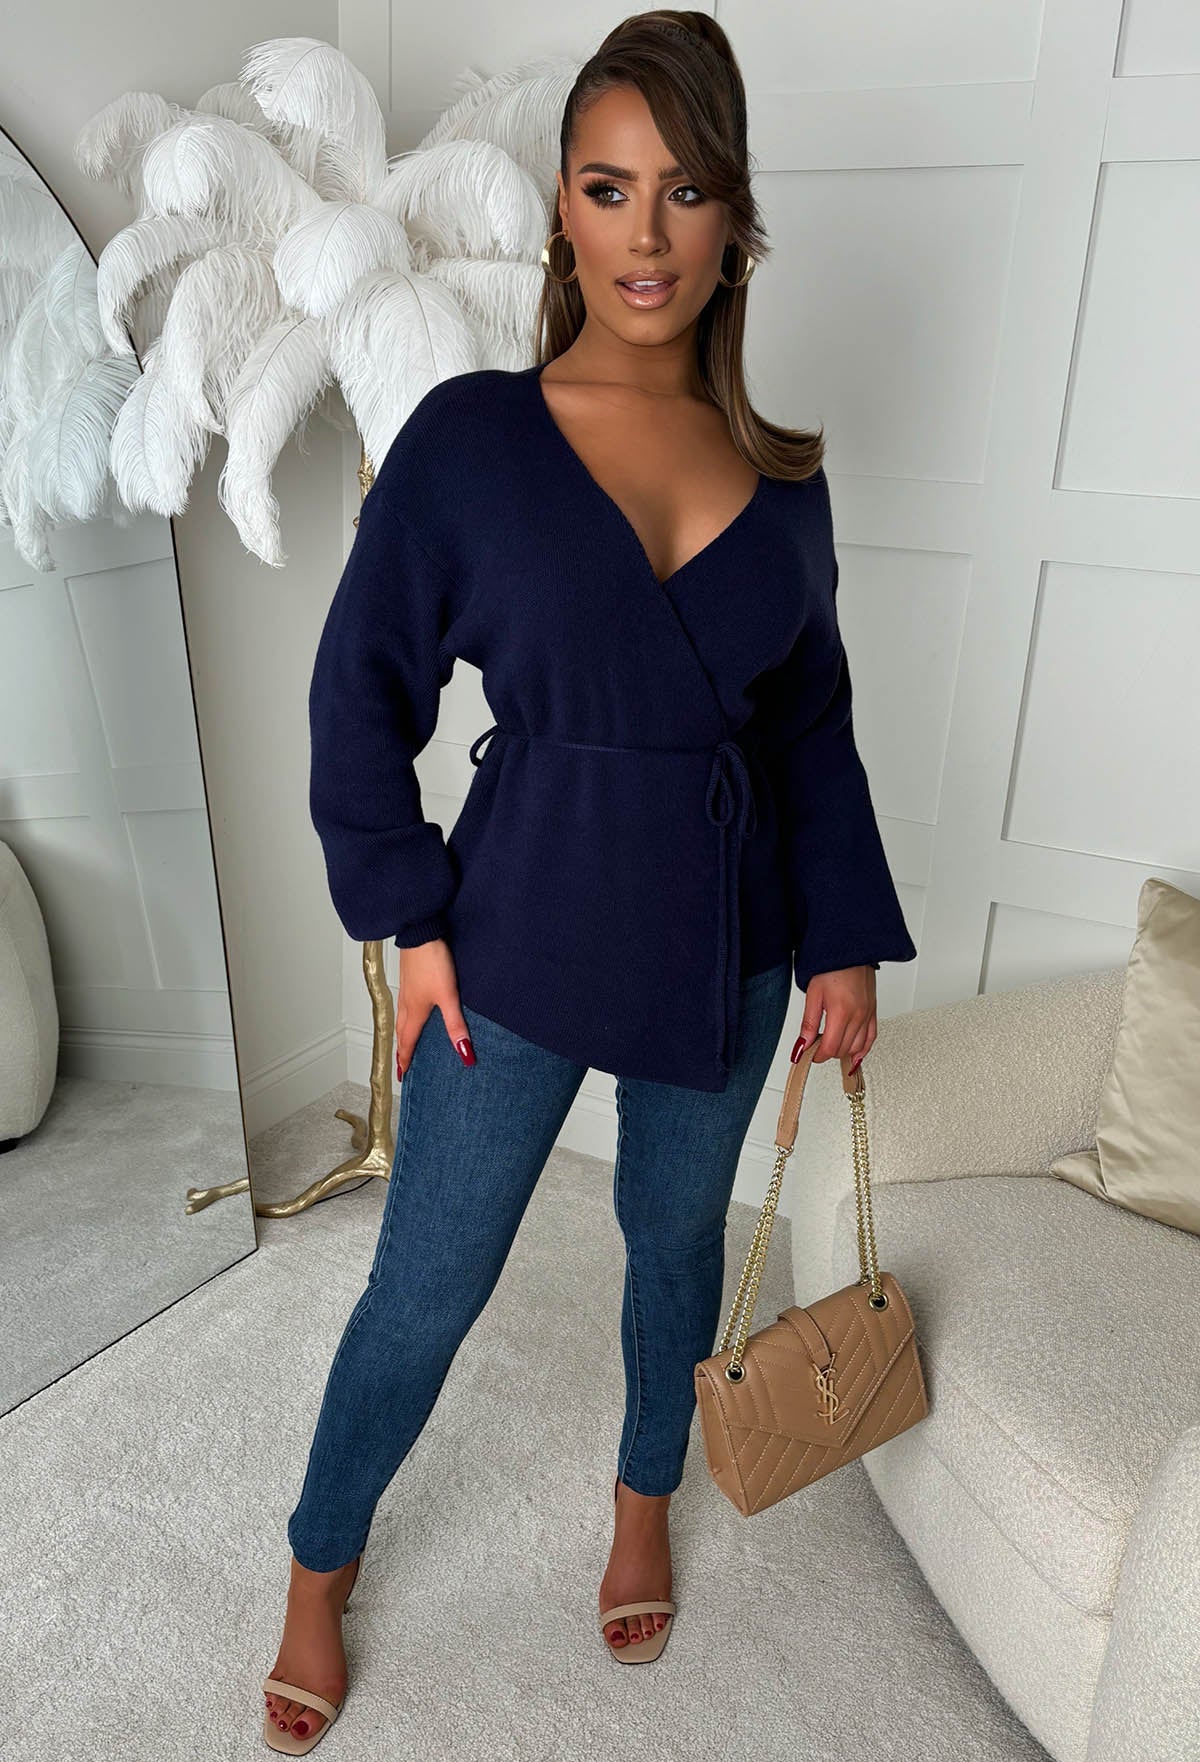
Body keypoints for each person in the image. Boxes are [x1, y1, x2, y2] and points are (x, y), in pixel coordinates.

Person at [263, 9, 916, 1749]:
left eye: (685, 190)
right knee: (430, 1276)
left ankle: (643, 1494)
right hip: (515, 931)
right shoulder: (471, 440)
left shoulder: (783, 482)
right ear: (563, 207)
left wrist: (844, 943)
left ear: (735, 220)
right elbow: (358, 689)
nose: (646, 231)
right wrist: (408, 921)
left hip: (732, 940)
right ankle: (321, 1556)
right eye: (610, 186)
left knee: (671, 1240)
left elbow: (814, 734)